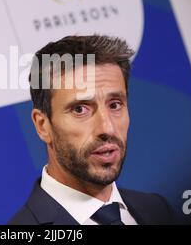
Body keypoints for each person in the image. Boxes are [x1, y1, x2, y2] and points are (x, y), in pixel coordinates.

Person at [9, 35, 175, 225]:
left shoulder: (159, 210)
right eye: (80, 109)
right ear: (42, 125)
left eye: (115, 105)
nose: (108, 128)